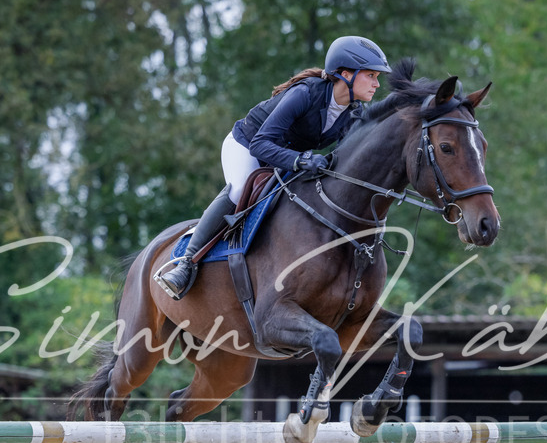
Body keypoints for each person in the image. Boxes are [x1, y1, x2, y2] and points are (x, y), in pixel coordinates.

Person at [156, 35, 391, 299]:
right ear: (346, 74)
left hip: (284, 157)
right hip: (247, 145)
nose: (377, 83)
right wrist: (301, 160)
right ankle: (185, 263)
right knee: (238, 192)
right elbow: (260, 144)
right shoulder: (304, 94)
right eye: (371, 75)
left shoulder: (353, 113)